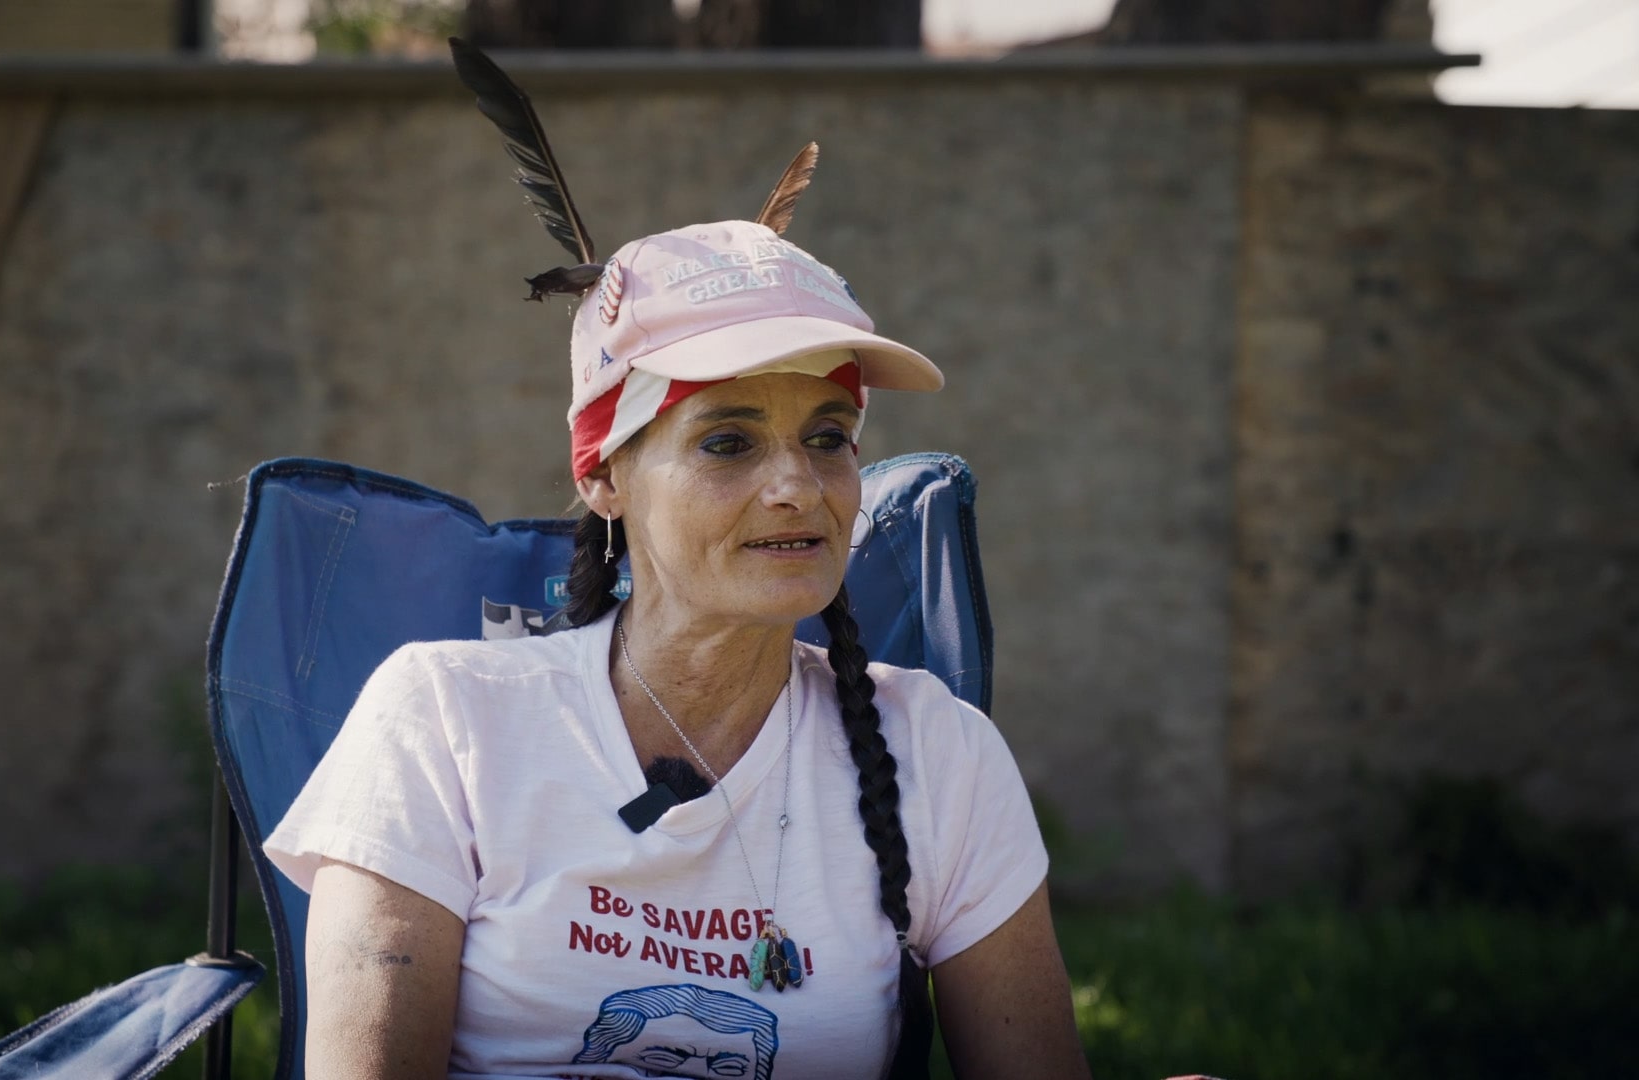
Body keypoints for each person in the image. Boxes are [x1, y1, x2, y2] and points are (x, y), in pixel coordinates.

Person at [262, 41, 1090, 1079]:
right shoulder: (447, 721)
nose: (798, 486)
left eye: (828, 437)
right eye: (728, 442)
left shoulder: (940, 753)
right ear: (606, 478)